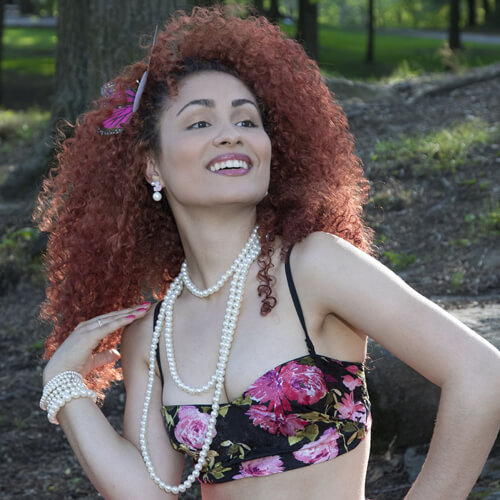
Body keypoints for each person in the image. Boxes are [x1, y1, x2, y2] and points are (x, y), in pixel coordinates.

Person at [35, 7, 500, 500]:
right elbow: (149, 494)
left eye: (246, 119)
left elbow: (481, 374)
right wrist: (64, 386)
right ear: (153, 166)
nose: (230, 133)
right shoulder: (152, 334)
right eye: (199, 122)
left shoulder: (315, 266)